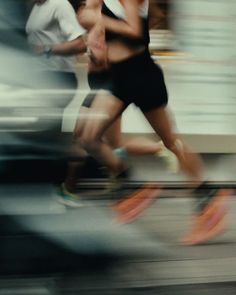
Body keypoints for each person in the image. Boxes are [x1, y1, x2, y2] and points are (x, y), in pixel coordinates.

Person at [74, 0, 233, 245]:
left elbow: (136, 32)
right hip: (117, 79)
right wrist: (96, 42)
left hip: (140, 74)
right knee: (88, 137)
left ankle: (208, 197)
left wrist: (98, 20)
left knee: (171, 141)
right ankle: (130, 184)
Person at [26, 0, 88, 197]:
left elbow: (80, 43)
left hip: (59, 77)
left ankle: (66, 184)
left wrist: (46, 50)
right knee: (46, 132)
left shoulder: (59, 4)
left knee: (53, 135)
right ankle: (58, 183)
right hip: (41, 79)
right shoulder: (36, 6)